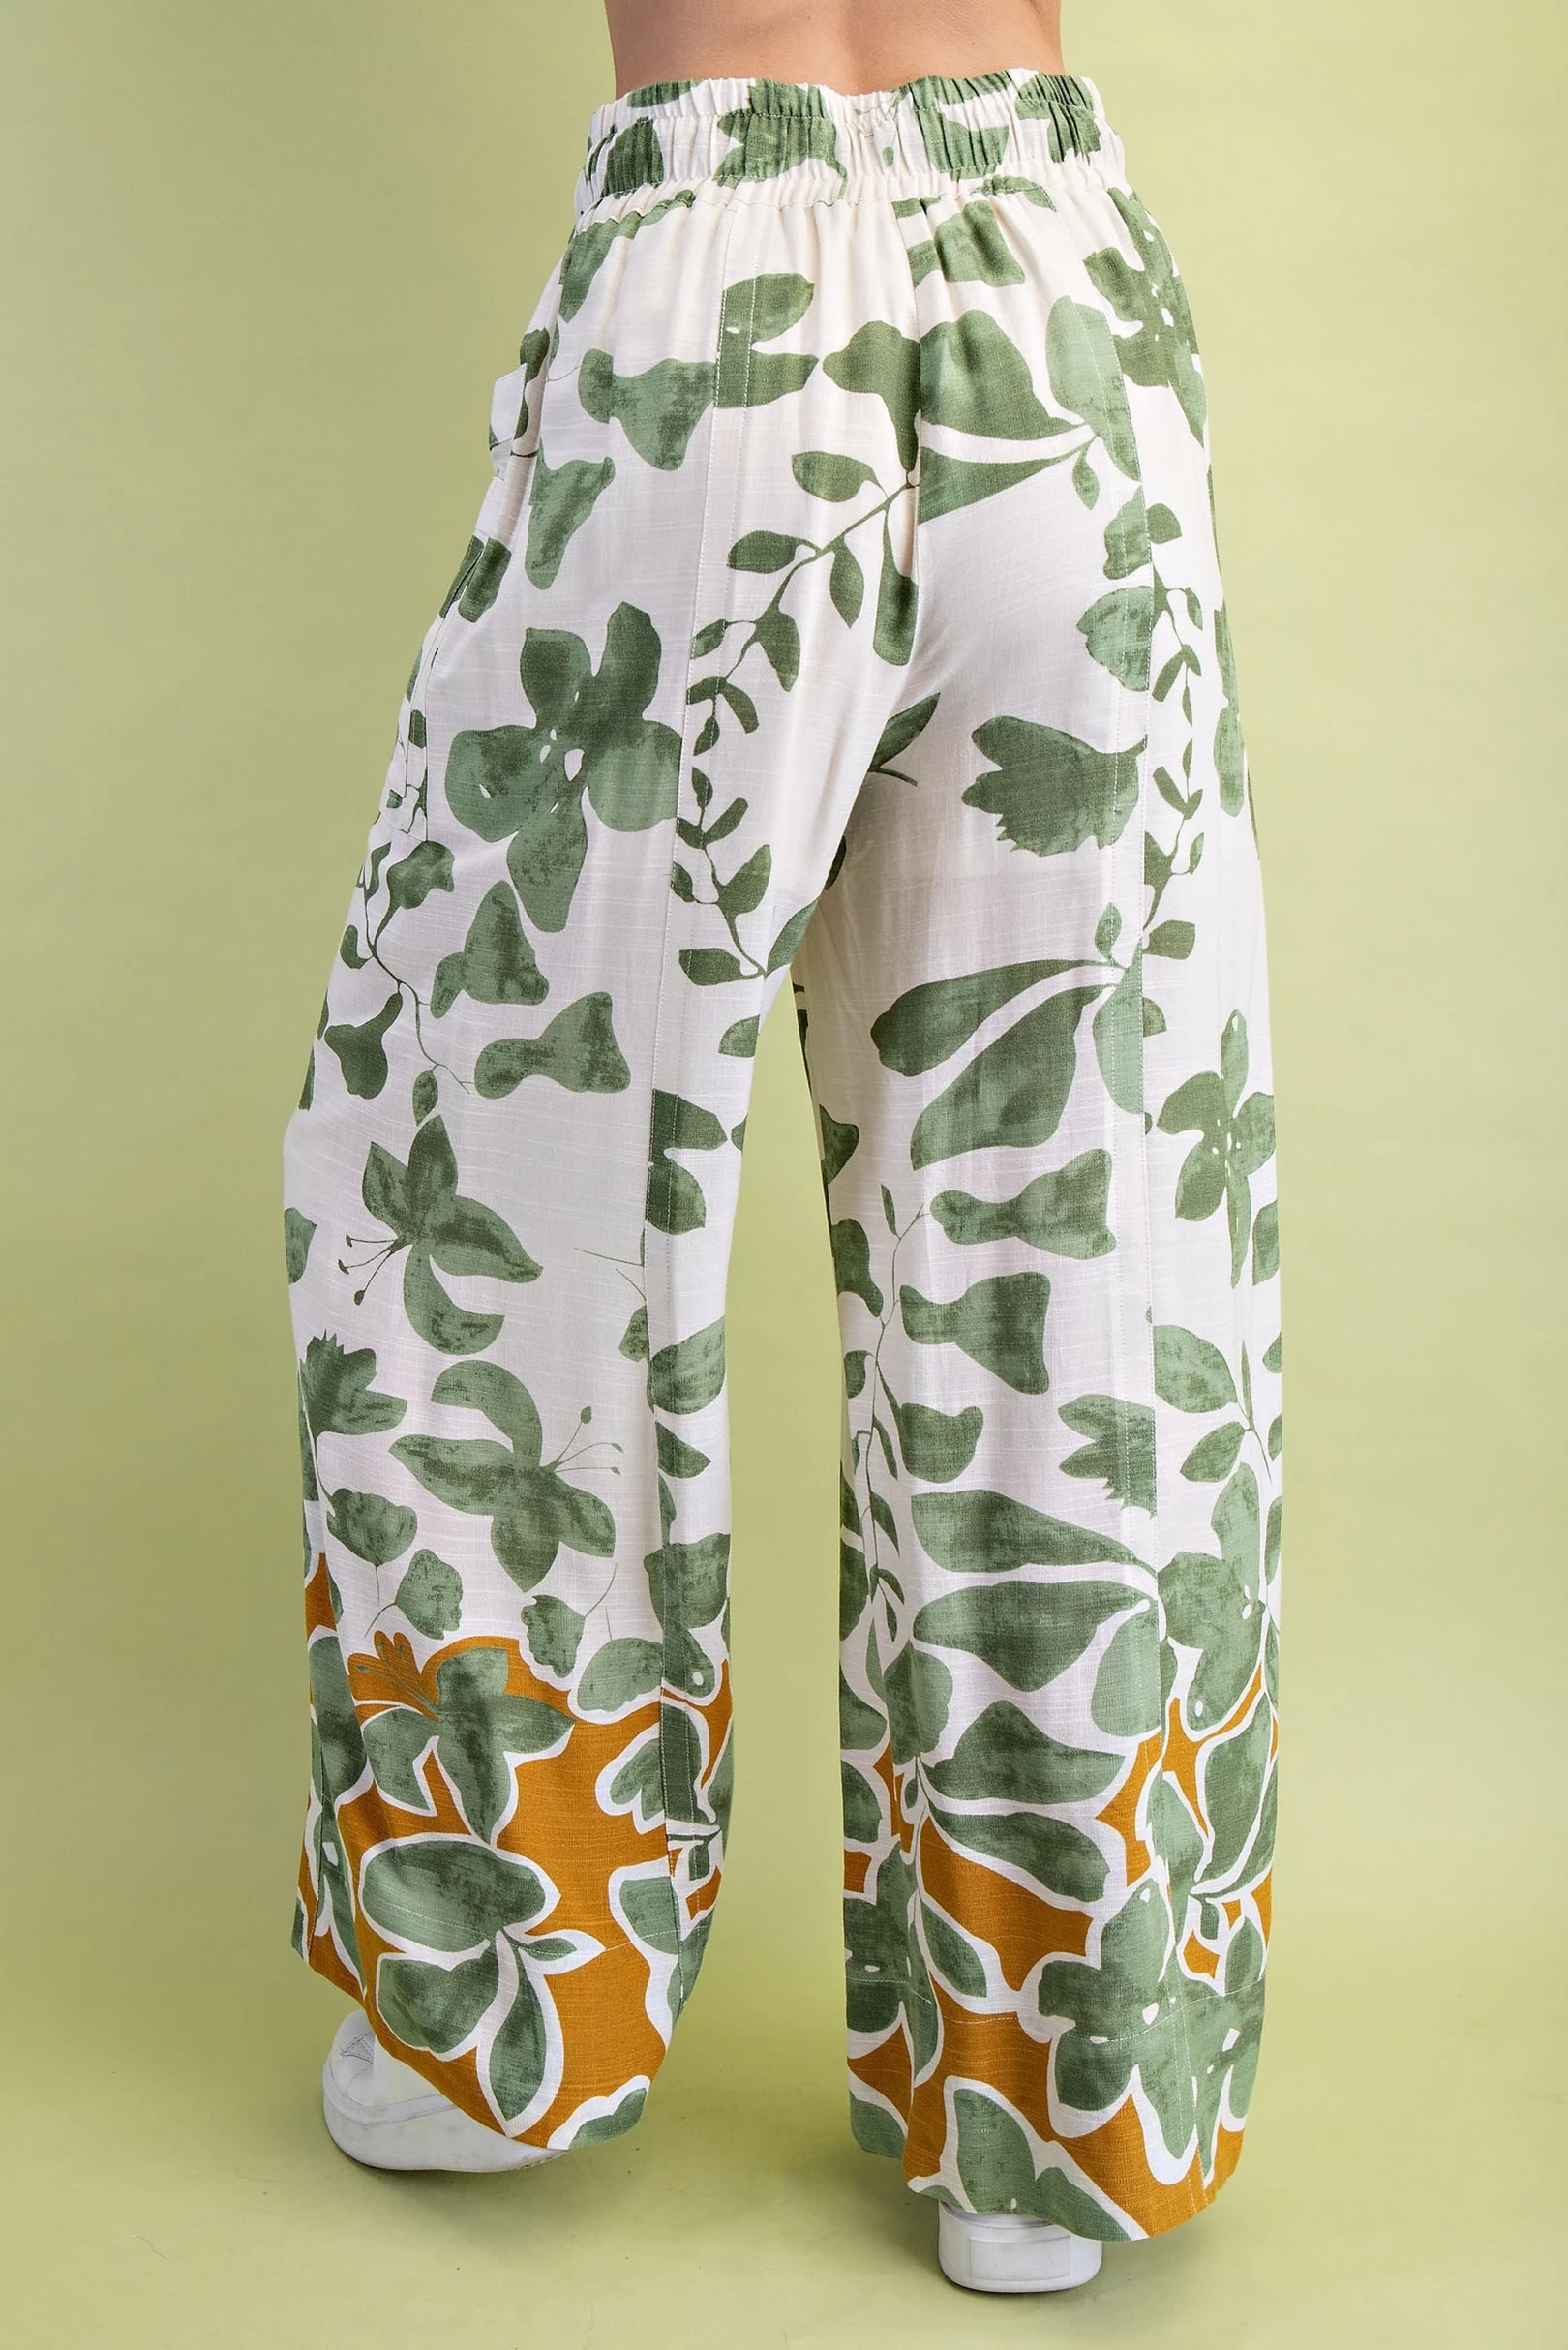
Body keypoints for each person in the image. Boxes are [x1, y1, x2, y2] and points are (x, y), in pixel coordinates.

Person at [284, 0, 1282, 2299]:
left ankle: (497, 2002)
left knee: (482, 1171)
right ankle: (1057, 2106)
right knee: (1075, 1225)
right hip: (1069, 302)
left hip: (713, 303)